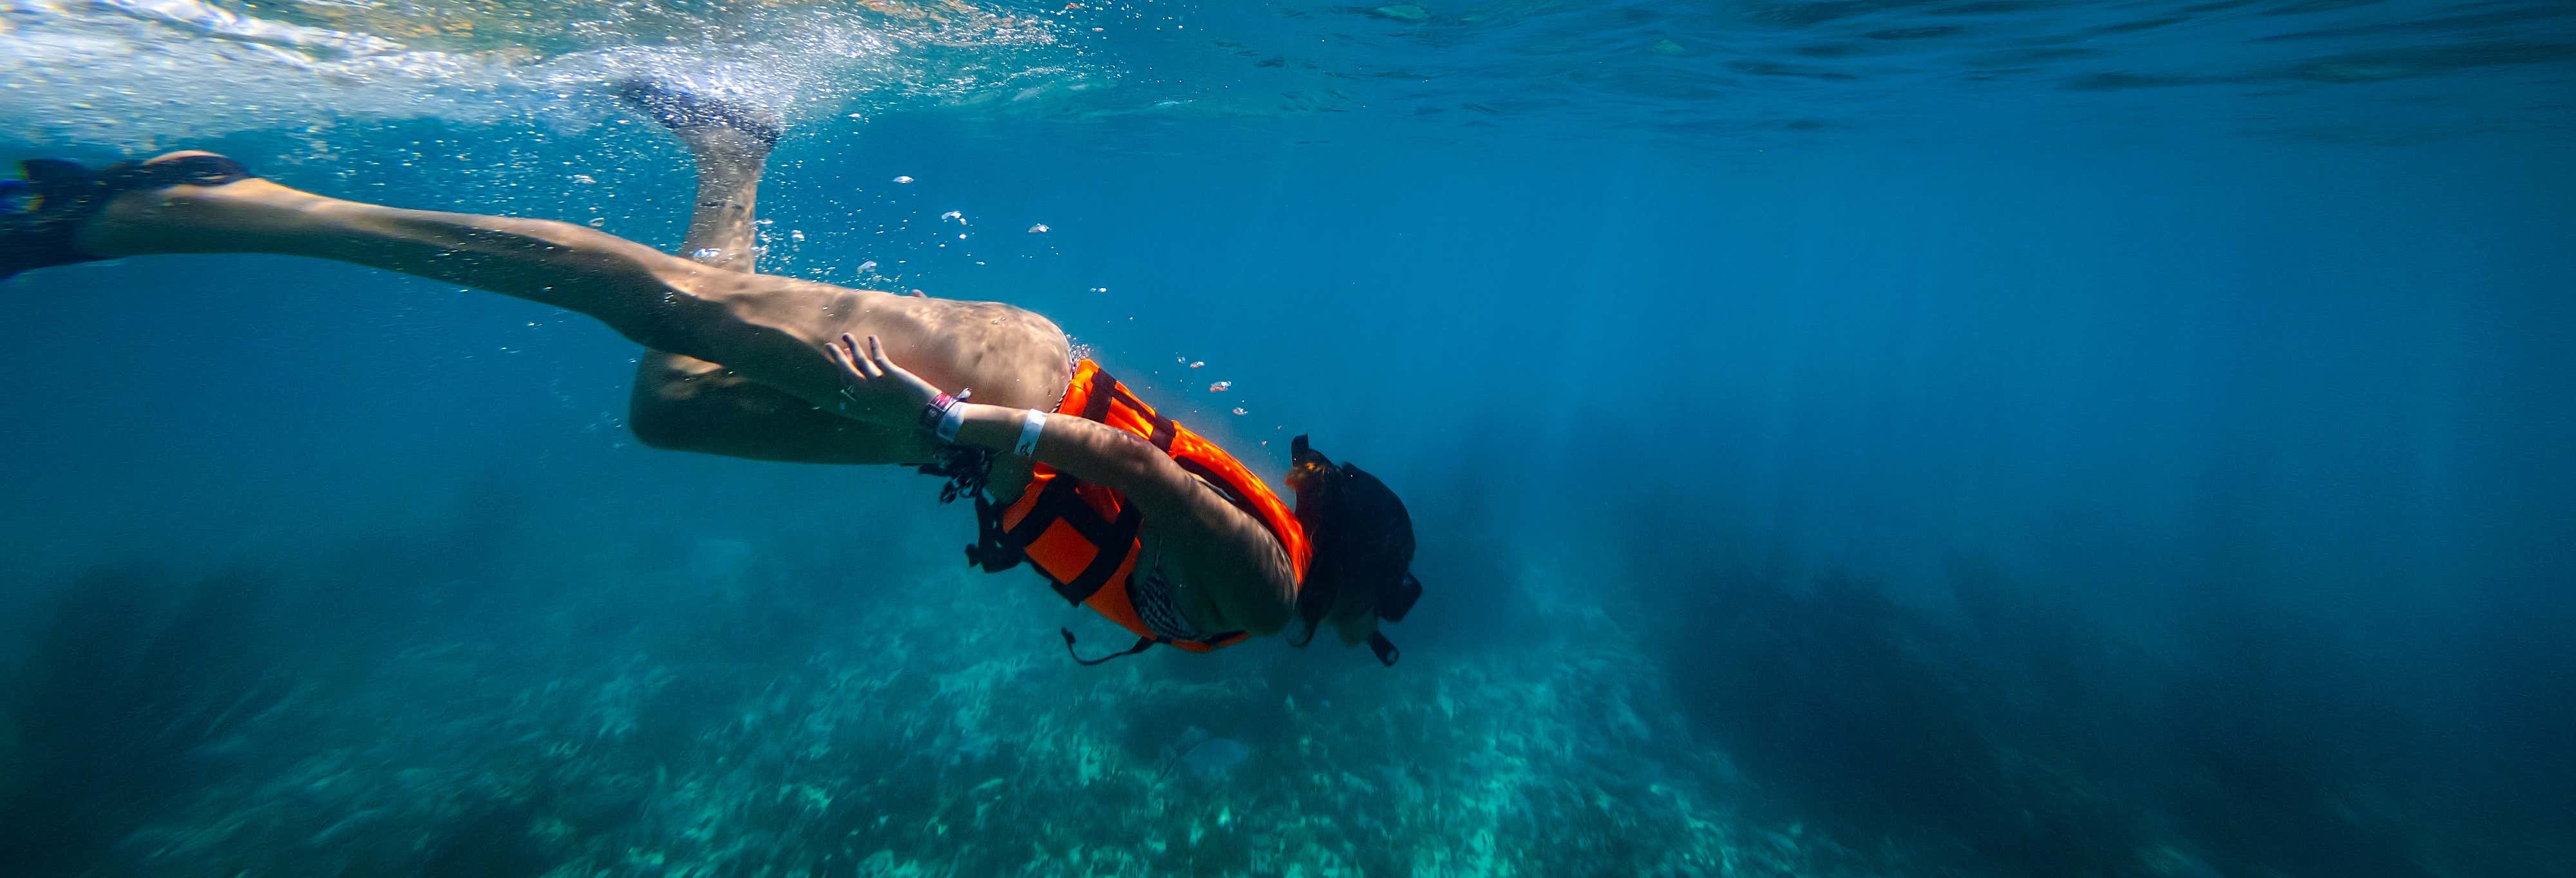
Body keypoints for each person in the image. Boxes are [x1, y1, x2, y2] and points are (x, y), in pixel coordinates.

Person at [0, 83, 1422, 665]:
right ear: (1347, 566)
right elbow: (1119, 463)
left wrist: (943, 438)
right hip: (996, 389)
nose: (1368, 629)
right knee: (647, 297)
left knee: (667, 400)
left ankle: (731, 143)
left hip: (970, 432)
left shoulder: (1279, 597)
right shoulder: (1272, 586)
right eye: (1384, 604)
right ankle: (200, 204)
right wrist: (938, 414)